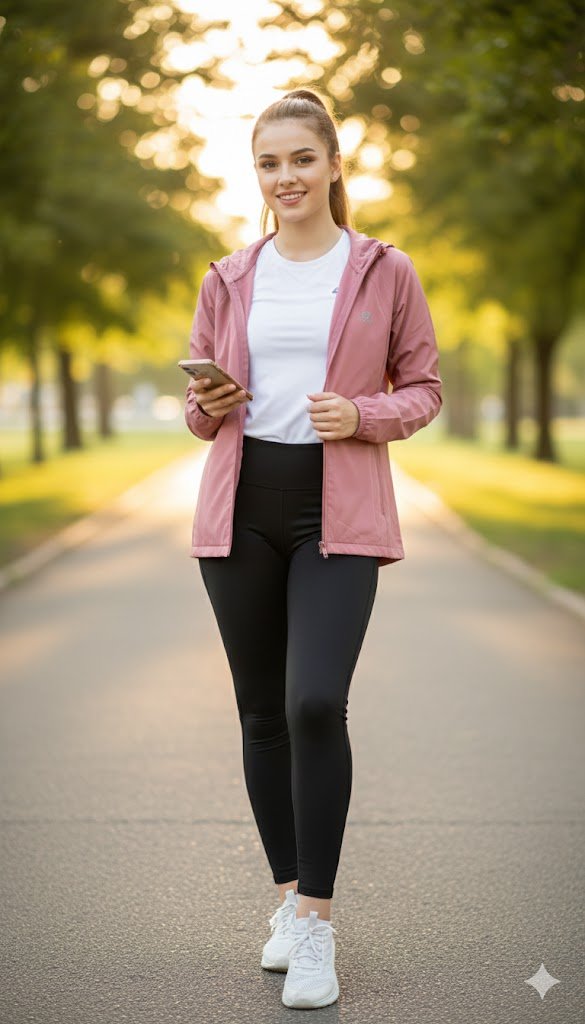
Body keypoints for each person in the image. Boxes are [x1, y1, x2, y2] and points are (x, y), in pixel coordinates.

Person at [184, 88, 442, 1010]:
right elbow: (193, 406)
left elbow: (422, 387)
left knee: (313, 700)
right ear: (255, 175)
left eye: (300, 159)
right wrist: (207, 403)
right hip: (240, 503)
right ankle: (288, 903)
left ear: (334, 164)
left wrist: (362, 413)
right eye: (268, 163)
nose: (284, 178)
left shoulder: (384, 270)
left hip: (337, 509)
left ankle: (320, 927)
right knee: (260, 713)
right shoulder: (228, 276)